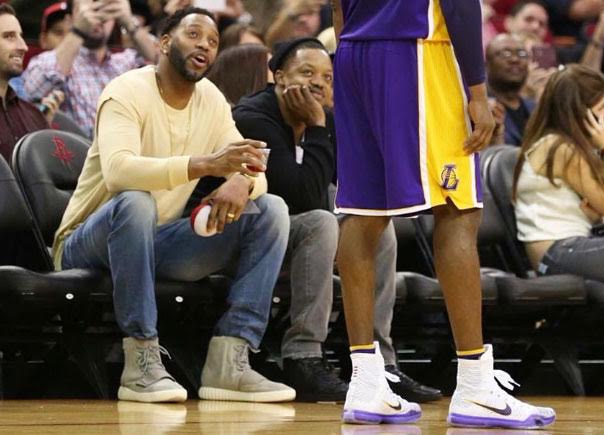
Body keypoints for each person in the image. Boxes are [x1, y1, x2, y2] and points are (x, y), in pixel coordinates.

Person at [331, 0, 555, 428]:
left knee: (363, 213)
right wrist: (476, 92)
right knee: (457, 210)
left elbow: (337, 8)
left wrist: (350, 48)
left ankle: (366, 380)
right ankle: (474, 384)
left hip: (354, 53)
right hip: (419, 52)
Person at [53, 7, 295, 404]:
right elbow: (118, 173)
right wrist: (207, 165)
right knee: (134, 200)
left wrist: (241, 180)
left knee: (270, 210)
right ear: (164, 43)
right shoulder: (126, 90)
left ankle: (229, 360)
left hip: (156, 241)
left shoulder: (211, 100)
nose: (205, 45)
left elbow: (255, 168)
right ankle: (142, 360)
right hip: (85, 243)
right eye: (194, 35)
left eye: (213, 41)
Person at [232, 37, 442, 403]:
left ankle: (378, 362)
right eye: (307, 72)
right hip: (248, 238)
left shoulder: (326, 120)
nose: (319, 84)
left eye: (328, 78)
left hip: (300, 240)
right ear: (279, 77)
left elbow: (357, 183)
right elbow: (301, 196)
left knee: (378, 226)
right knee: (321, 221)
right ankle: (303, 355)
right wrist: (316, 125)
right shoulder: (253, 117)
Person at [514, 65, 604, 283]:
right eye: (600, 108)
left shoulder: (558, 144)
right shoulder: (560, 149)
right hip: (557, 254)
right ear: (580, 112)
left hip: (575, 246)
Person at [22, 0, 159, 137]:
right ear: (70, 19)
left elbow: (166, 63)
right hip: (77, 154)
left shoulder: (127, 61)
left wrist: (129, 21)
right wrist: (79, 31)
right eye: (90, 7)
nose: (97, 16)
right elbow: (31, 91)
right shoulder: (52, 61)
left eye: (106, 9)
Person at [0, 4, 63, 163]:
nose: (23, 47)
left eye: (20, 36)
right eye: (9, 36)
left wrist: (42, 133)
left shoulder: (34, 115)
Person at [486, 34, 536, 146]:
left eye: (522, 54)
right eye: (506, 54)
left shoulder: (535, 107)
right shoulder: (480, 108)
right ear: (487, 63)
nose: (515, 59)